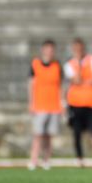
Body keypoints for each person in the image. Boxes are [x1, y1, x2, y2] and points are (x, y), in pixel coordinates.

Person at [64, 38, 92, 168]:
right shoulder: (70, 64)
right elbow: (77, 80)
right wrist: (78, 63)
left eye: (80, 48)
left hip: (90, 103)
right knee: (76, 133)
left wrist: (85, 78)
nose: (78, 51)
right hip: (75, 103)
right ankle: (79, 159)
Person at [28, 39, 62, 170]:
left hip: (54, 106)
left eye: (52, 49)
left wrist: (62, 103)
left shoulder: (57, 65)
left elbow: (60, 86)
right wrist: (31, 103)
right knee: (38, 135)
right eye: (47, 49)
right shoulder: (35, 64)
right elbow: (31, 84)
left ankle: (46, 160)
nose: (49, 52)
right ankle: (33, 160)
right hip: (40, 105)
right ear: (43, 50)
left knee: (49, 136)